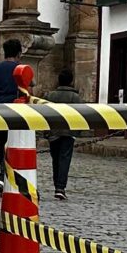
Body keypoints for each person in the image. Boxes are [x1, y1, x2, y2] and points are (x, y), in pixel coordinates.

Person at [45, 59, 83, 199]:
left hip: (53, 133)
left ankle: (57, 185)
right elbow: (81, 116)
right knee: (64, 159)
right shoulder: (76, 97)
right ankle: (60, 187)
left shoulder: (50, 96)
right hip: (68, 132)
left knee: (55, 159)